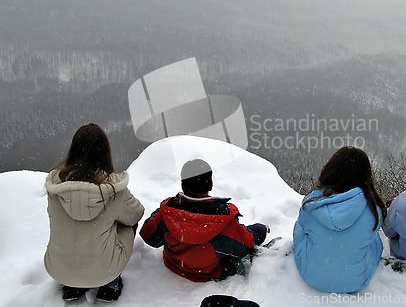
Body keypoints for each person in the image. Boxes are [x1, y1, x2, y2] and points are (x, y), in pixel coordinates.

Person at [44, 123, 144, 302]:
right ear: (105, 152)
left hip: (58, 269)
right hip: (104, 272)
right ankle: (110, 284)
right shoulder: (113, 189)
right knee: (126, 220)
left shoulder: (55, 188)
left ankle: (72, 286)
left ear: (74, 150)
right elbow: (136, 214)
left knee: (69, 226)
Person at [140, 158, 268, 282]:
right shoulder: (221, 219)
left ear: (182, 184)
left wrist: (163, 211)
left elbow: (149, 237)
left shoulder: (168, 213)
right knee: (235, 259)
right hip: (210, 272)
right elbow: (245, 244)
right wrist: (261, 229)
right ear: (211, 185)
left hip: (175, 265)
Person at [293, 147, 387, 293]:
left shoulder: (313, 201)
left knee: (300, 226)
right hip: (356, 282)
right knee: (373, 238)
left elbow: (303, 228)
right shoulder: (374, 208)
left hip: (312, 277)